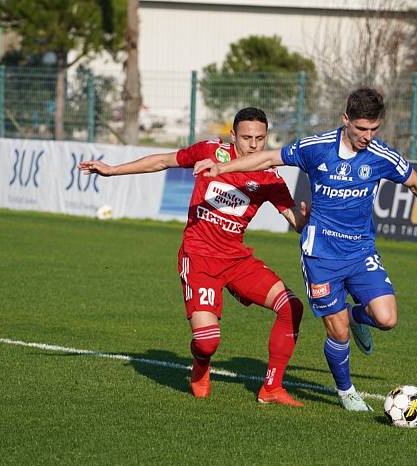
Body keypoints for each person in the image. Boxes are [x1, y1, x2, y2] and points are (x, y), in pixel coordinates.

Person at [195, 88, 417, 411]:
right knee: (336, 331)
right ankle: (346, 391)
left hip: (361, 252)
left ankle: (356, 316)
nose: (367, 136)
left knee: (387, 318)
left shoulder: (382, 156)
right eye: (361, 129)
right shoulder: (317, 148)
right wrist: (222, 168)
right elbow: (270, 157)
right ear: (345, 120)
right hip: (321, 255)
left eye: (374, 129)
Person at [80, 107, 309, 407]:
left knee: (291, 307)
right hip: (198, 257)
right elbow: (161, 161)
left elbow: (296, 224)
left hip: (236, 259)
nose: (254, 145)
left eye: (260, 138)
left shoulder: (268, 176)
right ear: (232, 135)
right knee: (207, 341)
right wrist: (112, 170)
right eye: (247, 137)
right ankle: (201, 365)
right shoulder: (209, 152)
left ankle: (271, 388)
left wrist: (306, 216)